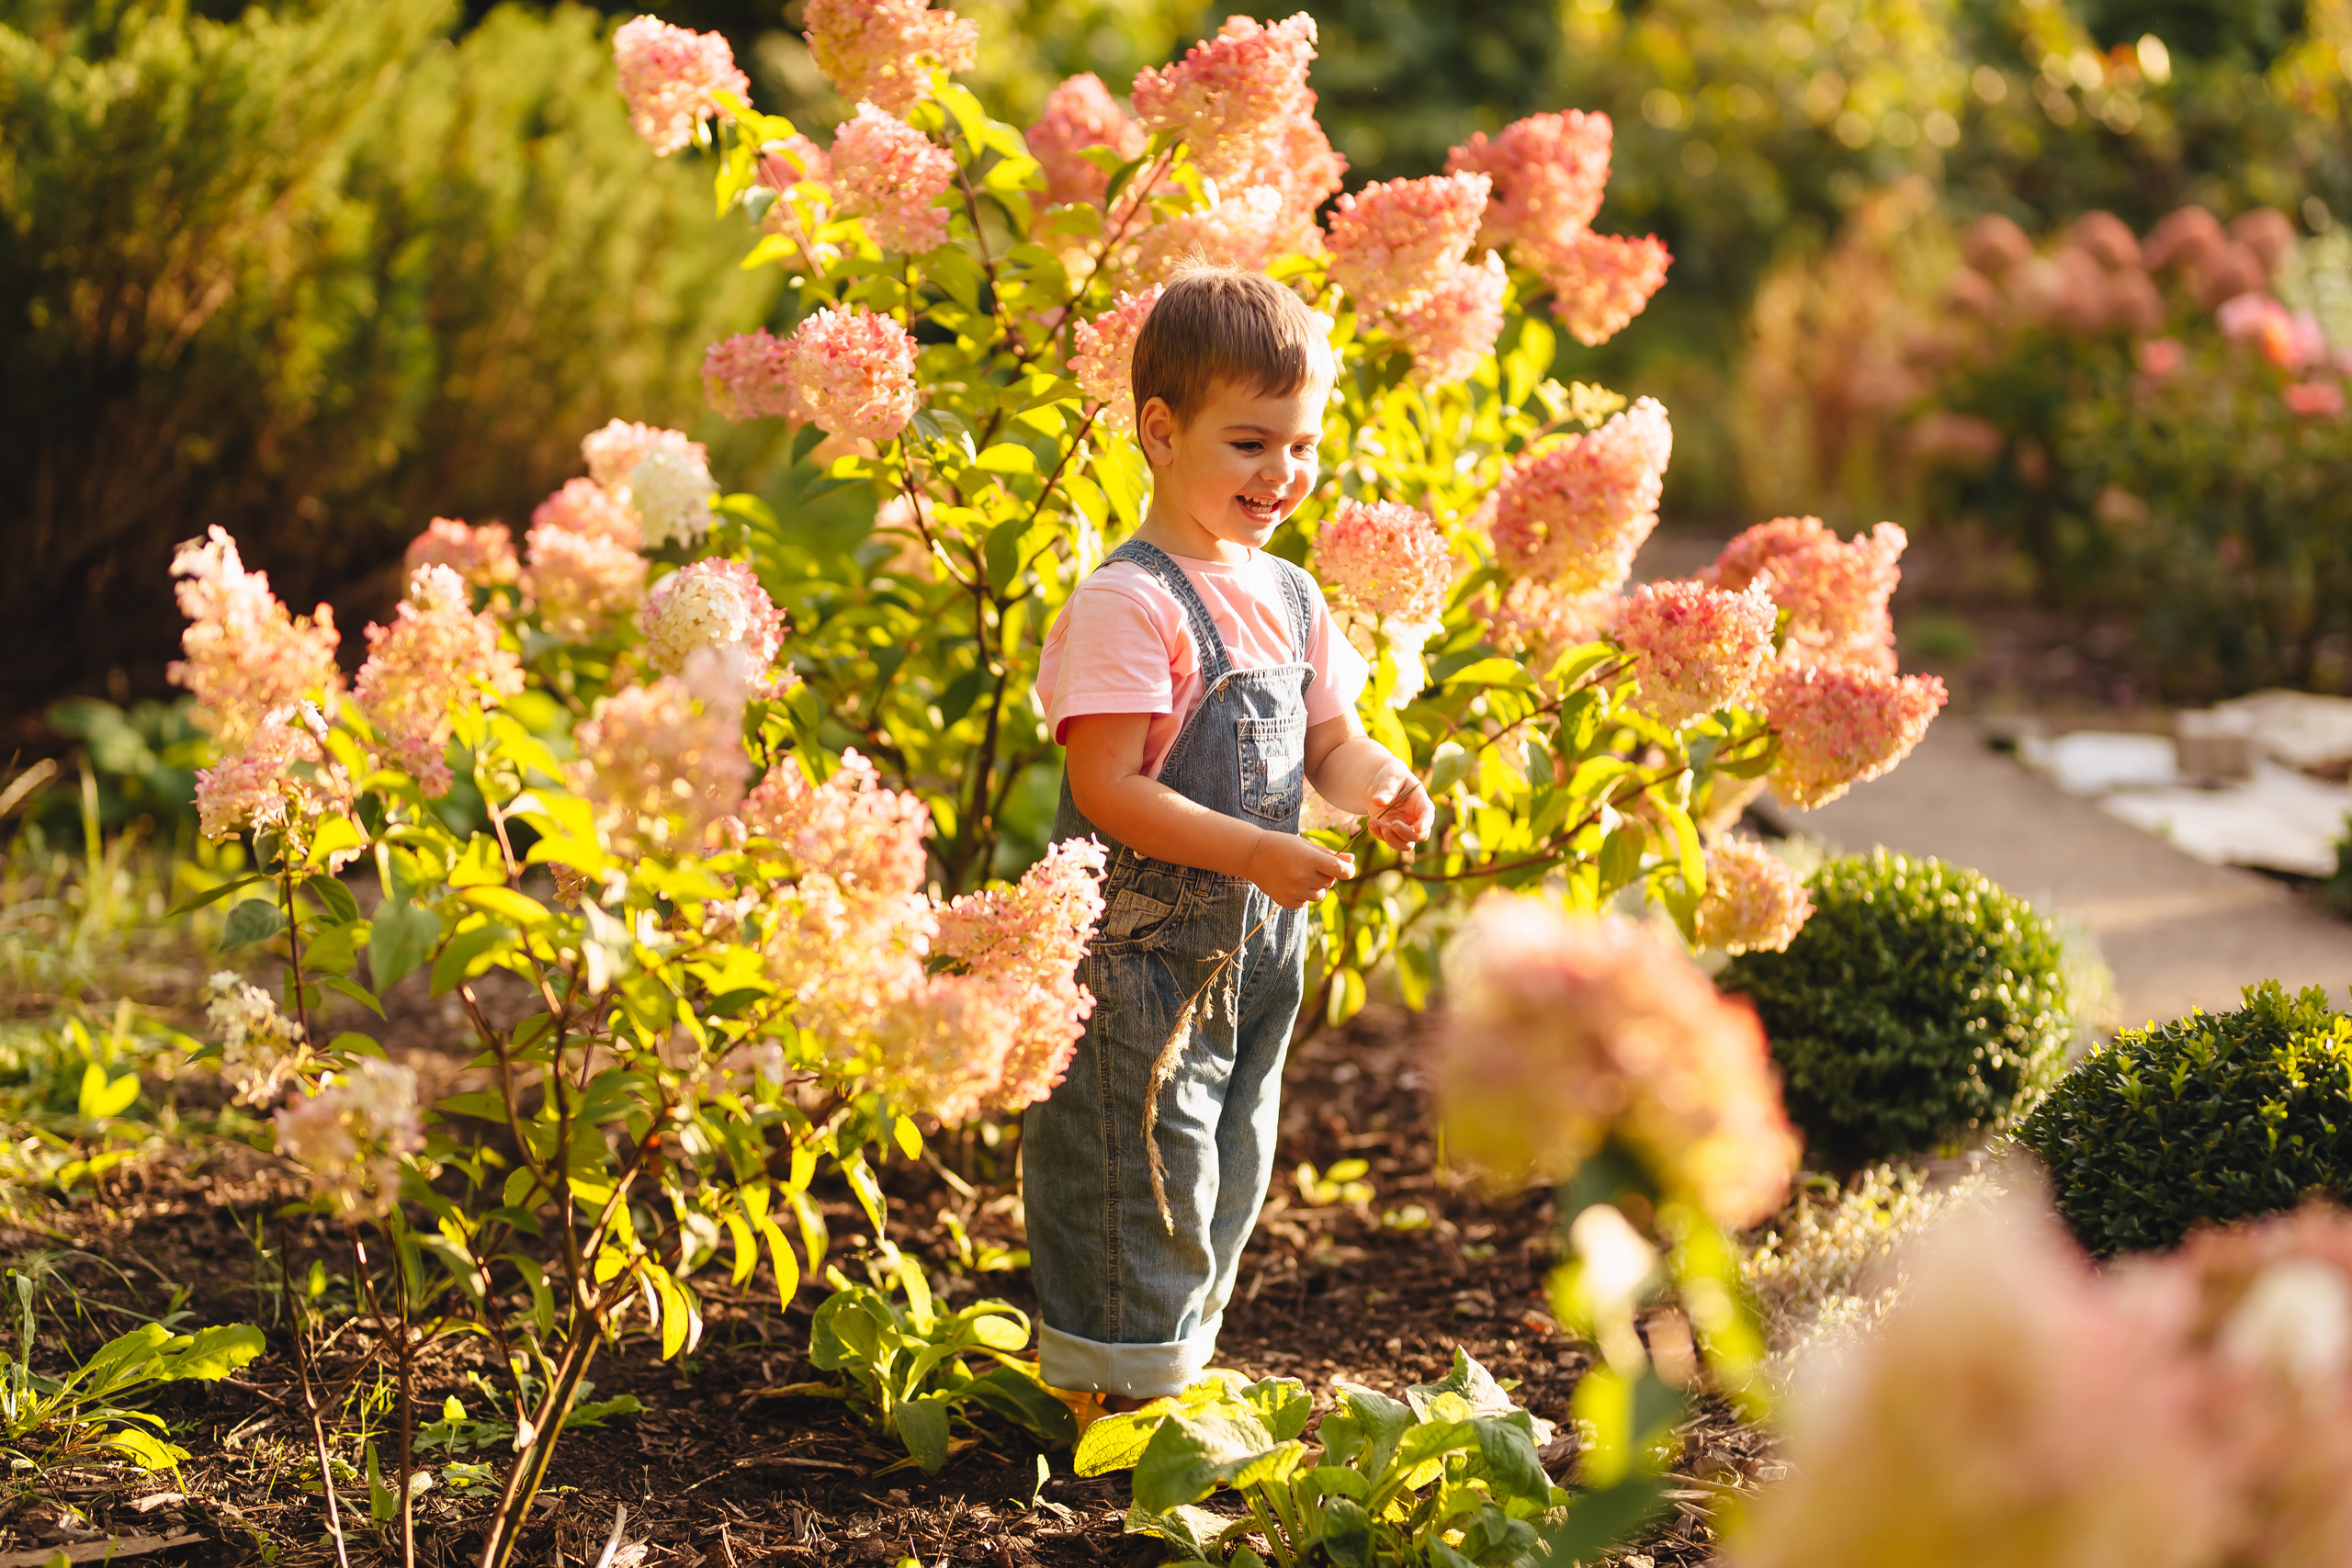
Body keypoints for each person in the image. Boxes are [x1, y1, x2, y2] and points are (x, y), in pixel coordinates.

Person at [1026, 265, 1436, 1413]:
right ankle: (1114, 1387)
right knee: (1137, 1159)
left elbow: (1329, 741)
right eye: (1250, 444)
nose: (1282, 474)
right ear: (1161, 432)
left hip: (1256, 950)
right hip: (1144, 954)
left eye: (1301, 446)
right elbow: (1107, 787)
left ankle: (1174, 1364)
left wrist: (1380, 784)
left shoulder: (1292, 596)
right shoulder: (1131, 601)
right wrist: (1254, 853)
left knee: (1227, 1154)